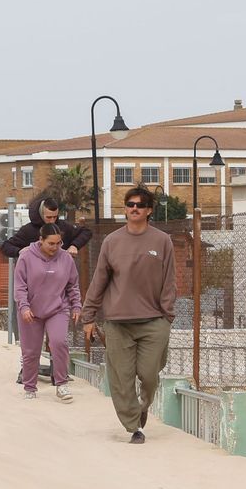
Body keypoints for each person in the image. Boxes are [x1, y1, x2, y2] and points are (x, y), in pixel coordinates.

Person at [81, 185, 178, 444]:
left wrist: (167, 316)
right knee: (122, 380)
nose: (134, 208)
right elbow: (98, 281)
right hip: (118, 323)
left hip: (154, 321)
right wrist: (88, 317)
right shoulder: (112, 242)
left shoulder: (162, 241)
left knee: (148, 375)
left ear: (148, 210)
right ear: (125, 208)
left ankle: (143, 406)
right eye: (130, 204)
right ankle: (134, 425)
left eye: (139, 205)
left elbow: (169, 281)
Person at [14, 224, 81, 402]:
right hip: (31, 311)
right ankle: (30, 387)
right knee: (30, 351)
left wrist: (76, 306)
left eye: (59, 243)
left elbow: (73, 285)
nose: (55, 247)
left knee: (59, 342)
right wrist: (24, 306)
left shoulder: (66, 258)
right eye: (51, 243)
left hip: (57, 308)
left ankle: (61, 384)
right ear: (41, 240)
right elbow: (19, 286)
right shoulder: (26, 257)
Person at [0, 195, 92, 261]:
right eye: (48, 217)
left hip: (60, 276)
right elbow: (6, 246)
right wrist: (19, 251)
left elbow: (86, 232)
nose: (52, 221)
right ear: (40, 214)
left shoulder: (63, 227)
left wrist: (74, 246)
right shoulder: (28, 231)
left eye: (55, 217)